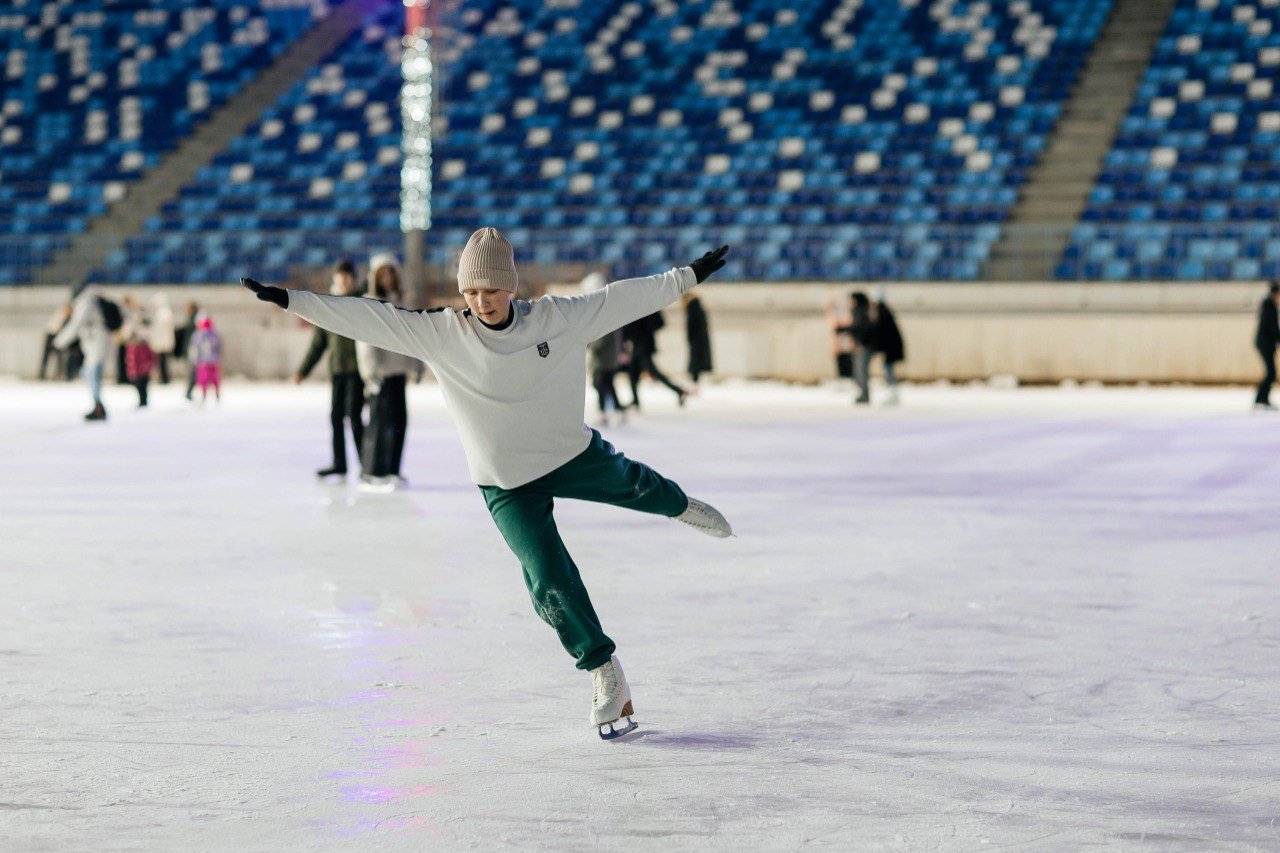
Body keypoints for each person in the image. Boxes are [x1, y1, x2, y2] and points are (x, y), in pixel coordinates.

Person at [242, 229, 733, 739]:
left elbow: (624, 299)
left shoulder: (556, 318)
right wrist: (292, 300)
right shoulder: (442, 334)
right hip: (505, 483)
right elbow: (370, 317)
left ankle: (679, 505)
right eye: (472, 293)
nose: (482, 302)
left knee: (634, 484)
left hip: (568, 453)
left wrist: (689, 274)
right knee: (547, 577)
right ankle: (603, 670)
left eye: (491, 291)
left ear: (511, 287)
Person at [295, 259, 365, 479]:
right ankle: (339, 463)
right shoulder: (329, 305)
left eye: (347, 277)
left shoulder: (361, 304)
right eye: (340, 277)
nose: (344, 282)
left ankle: (366, 463)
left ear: (353, 279)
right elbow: (319, 342)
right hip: (337, 371)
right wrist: (302, 371)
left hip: (357, 372)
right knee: (335, 417)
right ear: (334, 279)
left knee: (354, 417)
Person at [357, 252, 416, 490]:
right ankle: (373, 470)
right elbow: (365, 340)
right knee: (379, 424)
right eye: (383, 274)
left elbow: (414, 335)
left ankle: (393, 469)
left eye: (391, 273)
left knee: (400, 422)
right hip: (380, 374)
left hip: (398, 372)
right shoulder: (370, 303)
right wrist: (370, 372)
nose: (388, 278)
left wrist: (416, 365)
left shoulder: (403, 302)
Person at [53, 286, 115, 421]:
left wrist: (59, 341)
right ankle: (97, 405)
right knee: (89, 374)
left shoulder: (85, 302)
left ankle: (98, 406)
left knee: (91, 375)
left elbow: (76, 324)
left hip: (96, 344)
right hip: (96, 344)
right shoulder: (93, 300)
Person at [582, 268, 625, 427]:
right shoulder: (605, 309)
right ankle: (611, 411)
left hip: (604, 358)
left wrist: (590, 345)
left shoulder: (605, 310)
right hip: (606, 357)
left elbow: (603, 337)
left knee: (600, 384)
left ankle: (606, 413)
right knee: (605, 385)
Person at [622, 310, 688, 410]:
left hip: (644, 346)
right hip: (638, 345)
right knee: (633, 373)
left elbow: (660, 323)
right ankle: (635, 401)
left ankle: (679, 391)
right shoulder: (636, 306)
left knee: (653, 372)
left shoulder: (649, 306)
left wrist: (645, 328)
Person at [866, 286, 905, 406]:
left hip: (891, 349)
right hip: (891, 349)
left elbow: (881, 332)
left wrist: (876, 347)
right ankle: (892, 393)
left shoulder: (882, 312)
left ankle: (892, 394)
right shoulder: (884, 311)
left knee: (889, 371)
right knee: (888, 370)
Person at [844, 291, 874, 405]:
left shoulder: (861, 312)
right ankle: (863, 393)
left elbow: (860, 329)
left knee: (861, 370)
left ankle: (865, 394)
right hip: (861, 345)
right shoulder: (858, 312)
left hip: (864, 346)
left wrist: (844, 329)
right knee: (859, 370)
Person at [1255, 282, 1280, 410]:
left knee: (1271, 372)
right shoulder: (1269, 306)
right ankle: (1260, 398)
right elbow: (1272, 327)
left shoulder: (1269, 305)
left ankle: (1262, 398)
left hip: (1266, 343)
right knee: (1271, 372)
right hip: (1265, 344)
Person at [683, 291, 713, 385]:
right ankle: (695, 381)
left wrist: (690, 339)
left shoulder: (692, 308)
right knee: (697, 361)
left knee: (695, 361)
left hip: (696, 340)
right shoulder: (698, 307)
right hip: (700, 340)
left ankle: (694, 382)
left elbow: (691, 326)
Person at [190, 315, 222, 403]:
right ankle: (216, 394)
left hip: (203, 362)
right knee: (215, 380)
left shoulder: (198, 335)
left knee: (204, 380)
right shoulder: (215, 334)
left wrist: (193, 360)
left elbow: (195, 348)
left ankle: (204, 395)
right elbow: (218, 348)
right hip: (214, 362)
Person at [124, 325, 155, 408]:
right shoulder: (131, 348)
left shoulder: (143, 347)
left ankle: (144, 401)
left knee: (143, 388)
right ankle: (142, 401)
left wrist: (148, 367)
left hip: (143, 372)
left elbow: (150, 358)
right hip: (136, 373)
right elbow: (130, 361)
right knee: (139, 388)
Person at [148, 293, 176, 385]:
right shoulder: (160, 312)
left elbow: (163, 327)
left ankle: (165, 378)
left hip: (163, 340)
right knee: (161, 361)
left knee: (163, 361)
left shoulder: (165, 312)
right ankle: (162, 377)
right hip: (161, 341)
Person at [824, 296, 854, 383]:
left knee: (847, 364)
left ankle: (847, 379)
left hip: (846, 347)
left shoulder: (845, 316)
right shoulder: (834, 318)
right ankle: (843, 380)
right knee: (840, 364)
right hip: (838, 347)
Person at [38, 304, 71, 380]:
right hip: (53, 335)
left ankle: (57, 373)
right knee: (50, 355)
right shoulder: (62, 315)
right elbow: (56, 328)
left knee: (56, 356)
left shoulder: (62, 314)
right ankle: (44, 373)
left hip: (54, 334)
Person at [178, 301, 201, 400]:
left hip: (194, 350)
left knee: (194, 372)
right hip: (192, 349)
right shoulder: (193, 319)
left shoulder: (196, 320)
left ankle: (189, 391)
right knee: (193, 372)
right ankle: (189, 391)